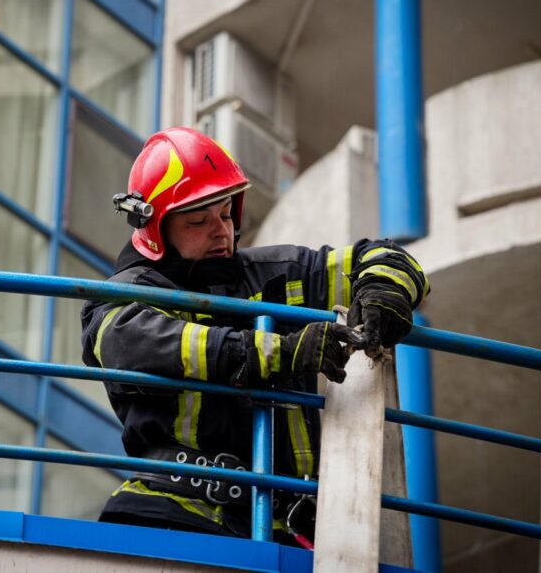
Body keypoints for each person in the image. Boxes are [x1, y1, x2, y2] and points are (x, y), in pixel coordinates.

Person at [80, 126, 429, 545]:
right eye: (198, 220)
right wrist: (276, 353)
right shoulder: (121, 300)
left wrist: (384, 289)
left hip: (289, 529)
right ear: (155, 228)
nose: (221, 231)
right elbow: (138, 344)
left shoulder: (279, 272)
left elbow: (387, 255)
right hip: (170, 514)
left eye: (226, 214)